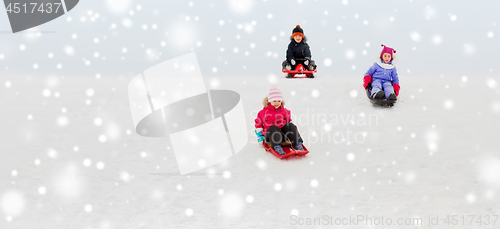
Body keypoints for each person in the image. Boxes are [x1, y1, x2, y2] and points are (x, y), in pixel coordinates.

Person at [254, 88, 304, 155]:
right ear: (269, 101)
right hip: (271, 136)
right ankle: (277, 147)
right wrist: (260, 136)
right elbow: (258, 125)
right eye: (274, 101)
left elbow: (288, 121)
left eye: (279, 101)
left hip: (283, 136)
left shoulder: (285, 111)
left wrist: (291, 129)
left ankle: (298, 144)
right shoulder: (263, 113)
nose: (277, 103)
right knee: (274, 128)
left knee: (290, 125)